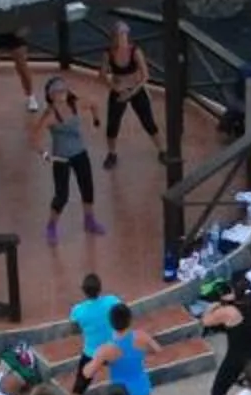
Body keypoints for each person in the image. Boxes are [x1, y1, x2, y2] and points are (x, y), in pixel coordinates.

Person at [35, 75, 102, 242]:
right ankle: (51, 226)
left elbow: (94, 102)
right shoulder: (49, 116)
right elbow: (35, 137)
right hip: (61, 158)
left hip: (80, 153)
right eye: (57, 91)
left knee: (87, 187)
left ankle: (89, 220)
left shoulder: (76, 105)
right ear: (51, 96)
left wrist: (96, 121)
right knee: (62, 195)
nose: (62, 93)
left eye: (63, 90)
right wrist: (45, 155)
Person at [98, 16, 159, 170]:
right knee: (112, 124)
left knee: (148, 121)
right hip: (118, 90)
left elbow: (145, 76)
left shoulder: (135, 51)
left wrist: (132, 92)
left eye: (124, 35)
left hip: (136, 89)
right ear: (114, 37)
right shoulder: (108, 53)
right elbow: (102, 75)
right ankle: (112, 154)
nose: (122, 38)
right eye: (119, 35)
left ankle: (162, 150)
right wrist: (114, 87)